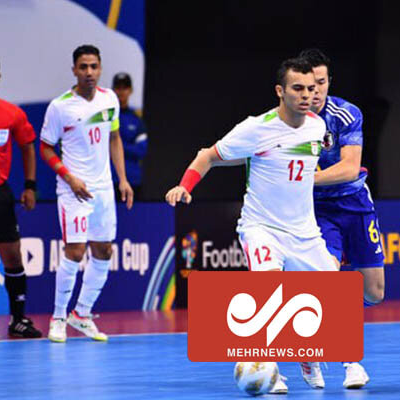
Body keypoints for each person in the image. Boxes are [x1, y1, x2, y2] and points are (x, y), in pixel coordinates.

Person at [165, 57, 337, 393]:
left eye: (311, 88)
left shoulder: (318, 127)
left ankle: (305, 352)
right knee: (269, 290)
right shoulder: (256, 128)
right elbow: (208, 155)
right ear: (280, 91)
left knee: (331, 297)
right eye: (297, 88)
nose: (306, 94)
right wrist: (185, 186)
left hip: (304, 232)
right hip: (262, 227)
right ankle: (268, 369)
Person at [40, 45, 134, 343]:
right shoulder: (60, 106)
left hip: (104, 189)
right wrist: (69, 178)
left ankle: (81, 314)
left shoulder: (110, 99)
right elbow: (45, 148)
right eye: (83, 67)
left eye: (94, 66)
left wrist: (122, 179)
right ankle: (58, 318)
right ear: (74, 70)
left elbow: (115, 138)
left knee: (104, 251)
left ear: (100, 68)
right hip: (73, 190)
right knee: (75, 251)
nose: (89, 72)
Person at [299, 48, 381, 389]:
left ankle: (325, 317)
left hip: (355, 204)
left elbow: (349, 168)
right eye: (308, 85)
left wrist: (304, 177)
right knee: (329, 278)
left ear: (329, 81)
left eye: (321, 83)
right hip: (318, 210)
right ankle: (350, 361)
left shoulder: (346, 114)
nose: (315, 91)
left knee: (374, 292)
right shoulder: (289, 122)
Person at [0, 52, 42, 338]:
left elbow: (28, 147)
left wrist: (30, 186)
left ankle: (18, 319)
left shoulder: (12, 113)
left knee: (13, 257)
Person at [111, 72, 147, 199]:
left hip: (132, 179)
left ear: (130, 90)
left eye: (125, 88)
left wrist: (115, 145)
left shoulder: (136, 119)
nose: (121, 92)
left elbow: (141, 150)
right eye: (118, 88)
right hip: (109, 180)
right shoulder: (106, 117)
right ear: (113, 90)